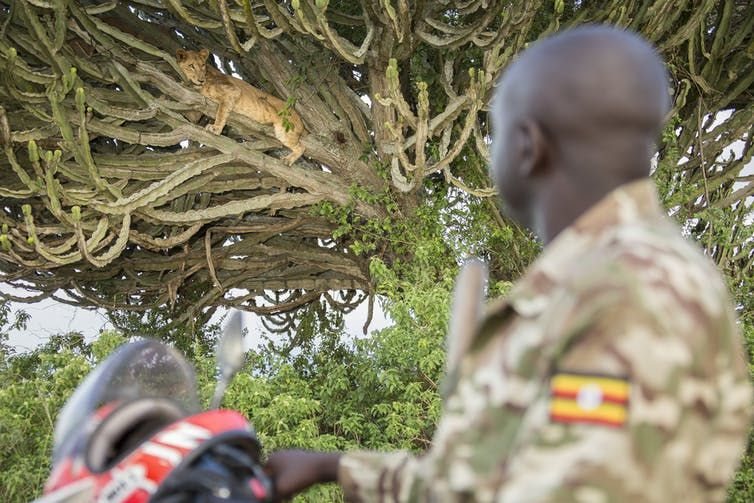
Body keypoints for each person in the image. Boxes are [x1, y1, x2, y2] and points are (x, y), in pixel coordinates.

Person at [264, 25, 753, 502]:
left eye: (494, 133)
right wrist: (334, 468)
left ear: (528, 145)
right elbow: (494, 480)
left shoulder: (630, 289)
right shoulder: (609, 274)